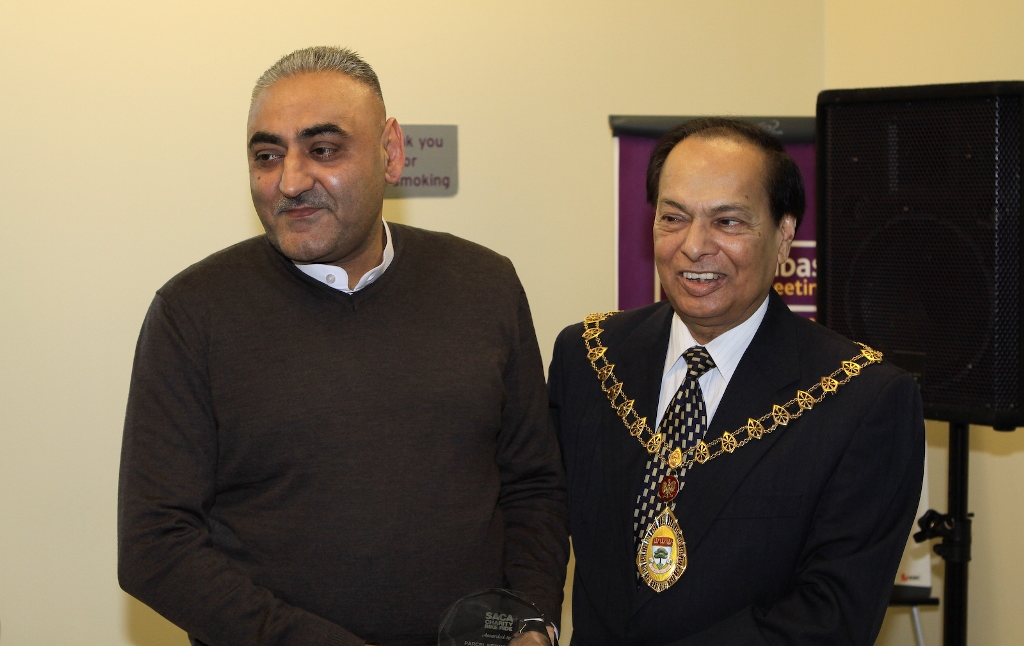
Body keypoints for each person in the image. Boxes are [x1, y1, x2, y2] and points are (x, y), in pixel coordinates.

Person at [118, 46, 568, 646]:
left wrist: (531, 620)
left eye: (323, 150)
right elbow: (154, 545)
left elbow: (533, 486)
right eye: (267, 156)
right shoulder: (192, 312)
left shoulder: (485, 285)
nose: (290, 181)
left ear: (391, 152)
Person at [548, 118, 924, 645]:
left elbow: (832, 615)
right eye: (673, 218)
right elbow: (536, 513)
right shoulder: (588, 357)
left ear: (785, 235)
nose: (694, 246)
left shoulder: (863, 398)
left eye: (727, 221)